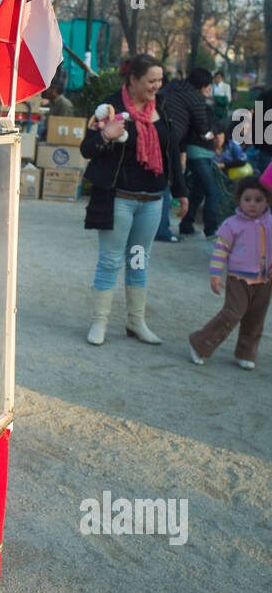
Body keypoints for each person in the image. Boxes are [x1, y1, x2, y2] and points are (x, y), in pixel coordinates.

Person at [81, 53, 188, 346]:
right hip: (119, 200)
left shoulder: (161, 108)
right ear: (133, 80)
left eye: (160, 80)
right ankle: (99, 322)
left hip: (152, 201)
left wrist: (181, 192)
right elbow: (86, 148)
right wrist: (105, 135)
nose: (157, 86)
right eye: (151, 80)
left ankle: (135, 321)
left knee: (139, 261)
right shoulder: (109, 107)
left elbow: (172, 153)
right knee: (111, 260)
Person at [189, 177, 272, 369]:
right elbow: (220, 250)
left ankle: (246, 352)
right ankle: (200, 343)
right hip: (238, 279)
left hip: (264, 281)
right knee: (232, 314)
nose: (252, 204)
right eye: (247, 199)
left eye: (258, 200)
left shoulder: (270, 223)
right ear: (239, 200)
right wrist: (215, 274)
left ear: (267, 201)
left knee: (256, 318)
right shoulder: (232, 224)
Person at [157, 67, 216, 241]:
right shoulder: (196, 99)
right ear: (203, 85)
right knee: (166, 185)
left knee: (159, 183)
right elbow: (203, 131)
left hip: (155, 134)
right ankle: (162, 230)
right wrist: (216, 133)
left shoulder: (171, 87)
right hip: (170, 140)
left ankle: (175, 226)